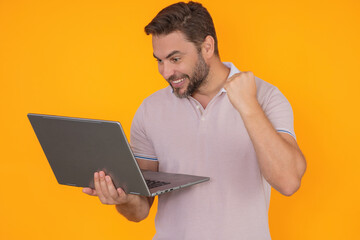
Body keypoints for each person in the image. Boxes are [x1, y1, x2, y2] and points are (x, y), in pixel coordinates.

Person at [82, 1, 307, 239]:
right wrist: (124, 198)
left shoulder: (265, 97)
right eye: (159, 60)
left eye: (175, 59)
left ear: (207, 47)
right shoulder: (150, 110)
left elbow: (288, 182)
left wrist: (248, 106)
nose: (166, 72)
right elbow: (140, 210)